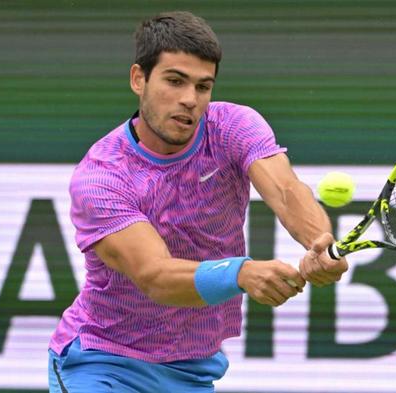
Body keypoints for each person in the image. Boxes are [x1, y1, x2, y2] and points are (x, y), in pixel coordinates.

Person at [48, 11, 348, 392]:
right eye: (175, 81)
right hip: (104, 361)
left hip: (193, 369)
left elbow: (285, 190)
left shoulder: (234, 126)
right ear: (138, 79)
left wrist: (319, 242)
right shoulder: (102, 177)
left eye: (203, 87)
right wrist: (239, 273)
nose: (190, 100)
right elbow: (154, 275)